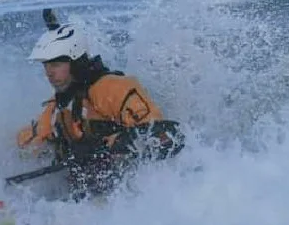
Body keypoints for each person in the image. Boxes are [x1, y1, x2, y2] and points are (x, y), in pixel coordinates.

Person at [16, 22, 183, 199]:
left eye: (56, 64)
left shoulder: (112, 89)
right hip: (85, 194)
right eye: (46, 65)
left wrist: (108, 145)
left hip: (130, 192)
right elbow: (31, 141)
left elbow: (164, 135)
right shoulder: (59, 105)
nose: (49, 73)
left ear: (75, 62)